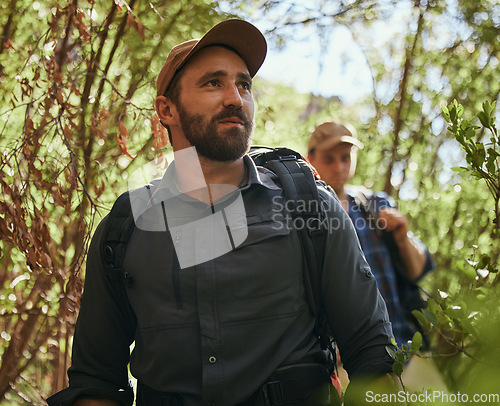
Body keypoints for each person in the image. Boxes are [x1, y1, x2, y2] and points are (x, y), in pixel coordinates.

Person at [47, 20, 397, 406]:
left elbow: (373, 356)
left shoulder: (310, 207)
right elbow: (96, 381)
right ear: (167, 109)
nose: (235, 98)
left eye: (243, 84)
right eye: (213, 83)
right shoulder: (124, 228)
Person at [307, 121, 434, 347]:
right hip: (350, 360)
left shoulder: (376, 205)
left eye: (345, 158)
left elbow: (417, 272)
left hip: (407, 344)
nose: (339, 167)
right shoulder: (305, 217)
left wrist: (402, 236)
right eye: (329, 159)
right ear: (310, 158)